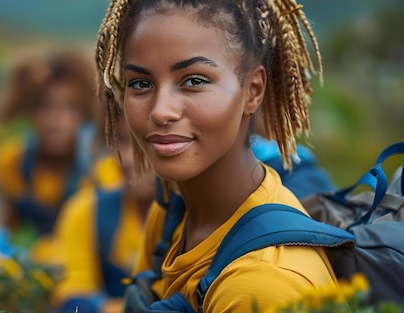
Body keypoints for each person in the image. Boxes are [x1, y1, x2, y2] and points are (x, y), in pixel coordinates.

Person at [95, 0, 337, 311]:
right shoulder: (173, 212)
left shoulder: (262, 285)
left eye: (194, 81)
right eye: (140, 83)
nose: (160, 111)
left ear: (252, 90)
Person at [0, 48, 96, 263]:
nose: (56, 120)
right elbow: (7, 231)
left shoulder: (95, 173)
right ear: (29, 107)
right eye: (44, 106)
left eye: (71, 108)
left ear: (87, 112)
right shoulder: (13, 162)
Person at [51, 114, 156, 313]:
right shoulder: (88, 210)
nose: (125, 159)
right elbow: (71, 296)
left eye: (144, 141)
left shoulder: (199, 222)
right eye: (122, 141)